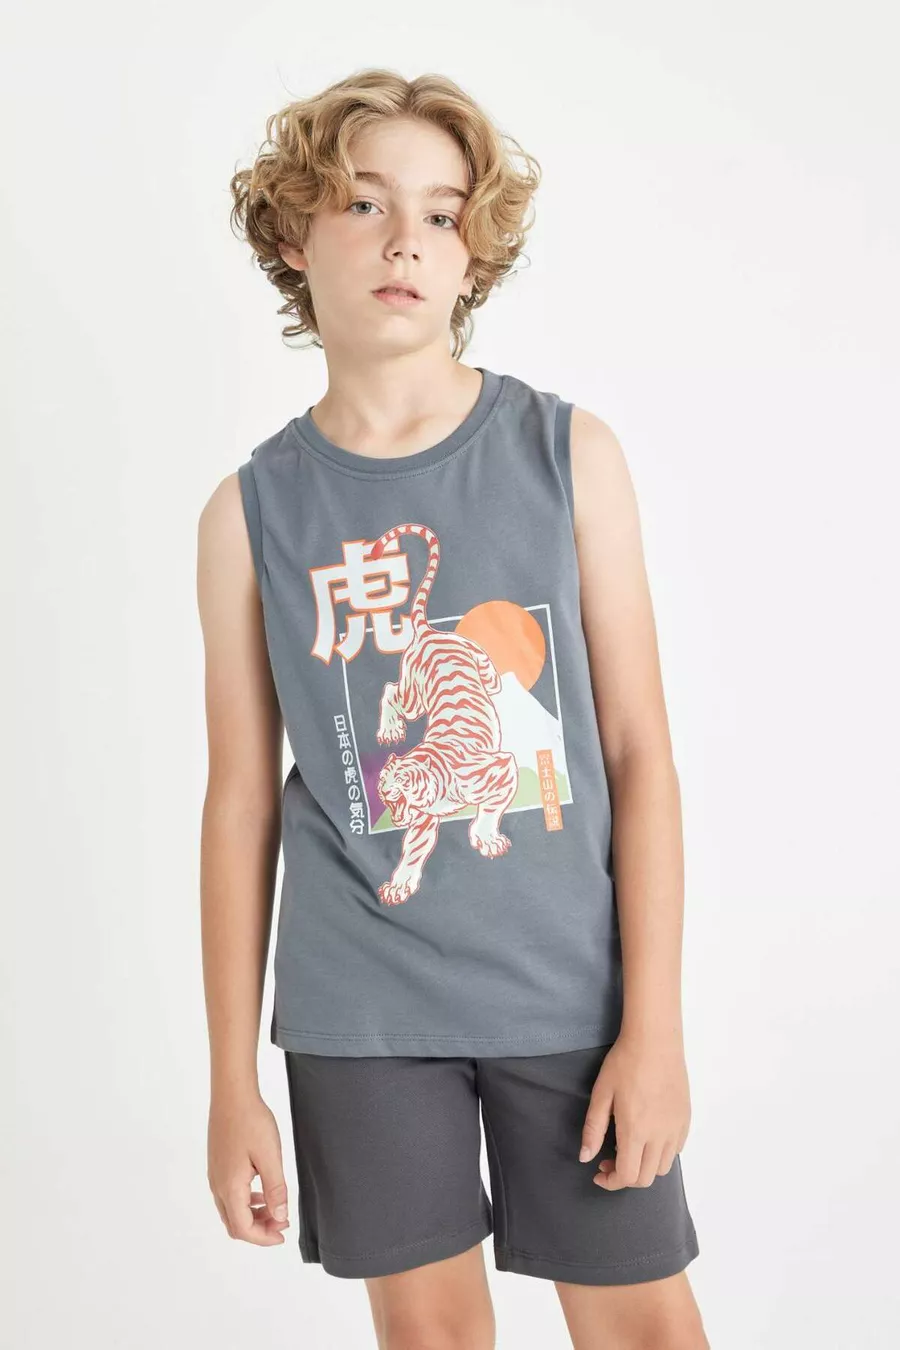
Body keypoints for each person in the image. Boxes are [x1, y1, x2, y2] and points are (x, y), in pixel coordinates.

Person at [196, 67, 709, 1350]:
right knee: (430, 1338)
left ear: (473, 255)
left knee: (646, 1328)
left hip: (569, 994)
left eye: (440, 213)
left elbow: (640, 755)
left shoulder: (567, 454)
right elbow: (241, 802)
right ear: (292, 235)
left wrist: (655, 1027)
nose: (405, 242)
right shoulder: (250, 514)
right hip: (361, 1005)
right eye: (364, 204)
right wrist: (229, 1080)